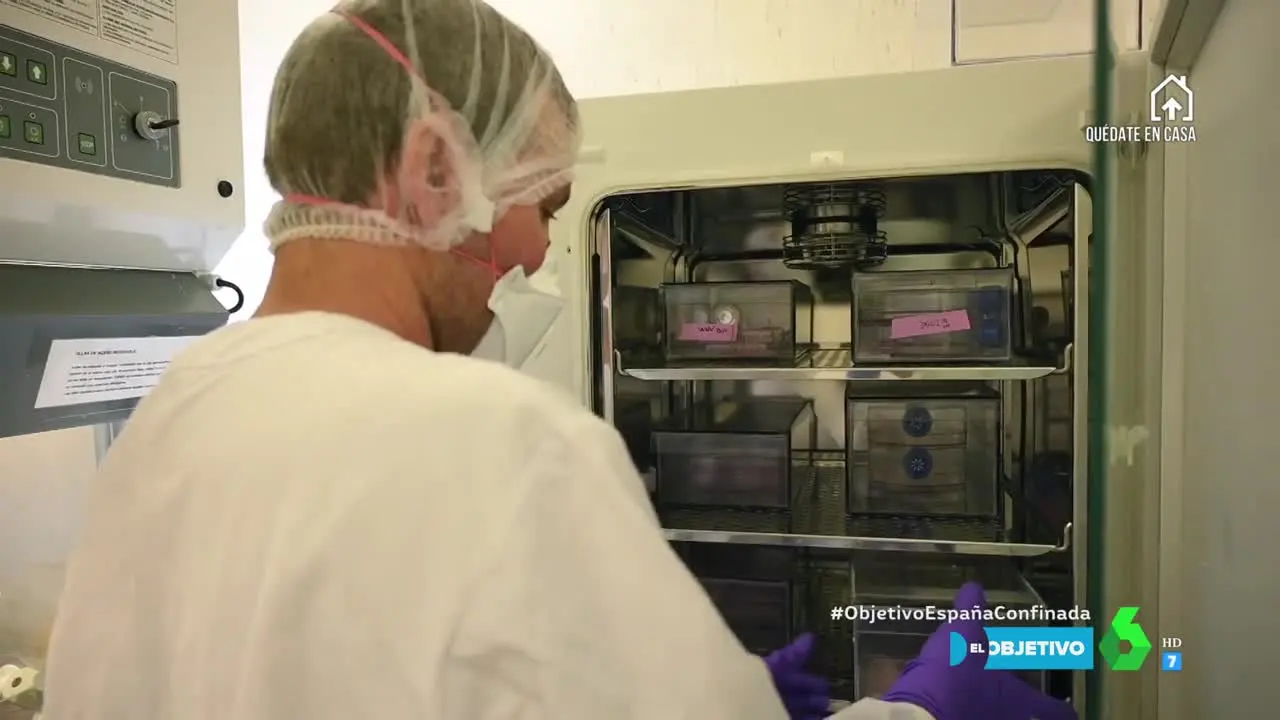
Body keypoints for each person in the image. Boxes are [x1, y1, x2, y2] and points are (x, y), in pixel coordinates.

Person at [38, 1, 1077, 719]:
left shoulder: (172, 410)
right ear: (434, 167)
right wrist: (913, 707)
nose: (540, 250)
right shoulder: (497, 438)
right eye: (541, 205)